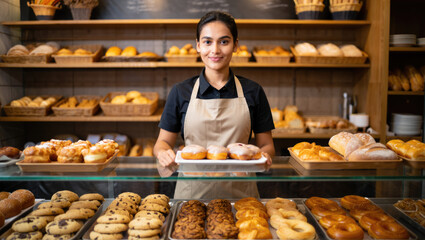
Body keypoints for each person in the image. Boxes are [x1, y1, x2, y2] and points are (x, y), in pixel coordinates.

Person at [154, 11, 275, 199]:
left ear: (236, 45)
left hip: (242, 198)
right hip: (191, 196)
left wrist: (265, 156)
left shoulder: (253, 91)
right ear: (198, 46)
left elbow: (267, 145)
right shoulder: (181, 91)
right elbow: (162, 143)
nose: (215, 50)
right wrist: (163, 153)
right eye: (207, 42)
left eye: (224, 42)